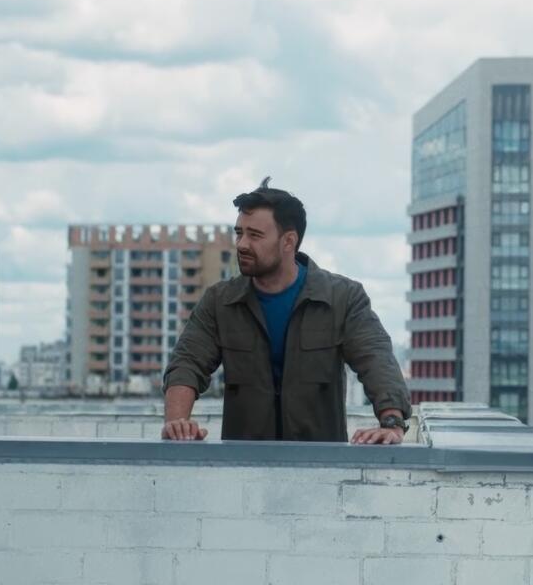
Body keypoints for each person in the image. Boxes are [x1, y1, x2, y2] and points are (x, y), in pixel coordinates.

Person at [160, 177, 411, 444]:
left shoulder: (343, 298)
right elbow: (187, 363)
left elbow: (376, 360)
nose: (242, 244)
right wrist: (177, 424)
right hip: (242, 470)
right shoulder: (219, 301)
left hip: (321, 469)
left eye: (255, 235)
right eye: (239, 233)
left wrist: (392, 423)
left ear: (288, 241)